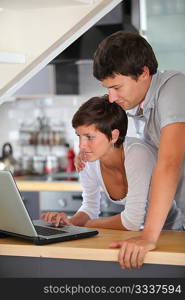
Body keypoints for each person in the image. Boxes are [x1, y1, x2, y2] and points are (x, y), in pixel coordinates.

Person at [75, 31, 185, 269]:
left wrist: (148, 237)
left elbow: (169, 163)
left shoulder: (174, 88)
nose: (112, 98)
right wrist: (88, 148)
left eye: (116, 87)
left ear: (144, 73)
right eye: (107, 89)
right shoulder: (141, 105)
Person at [42, 96, 184, 267]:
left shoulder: (137, 154)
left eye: (89, 137)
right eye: (79, 136)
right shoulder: (88, 161)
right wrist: (68, 223)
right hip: (138, 238)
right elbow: (89, 208)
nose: (82, 146)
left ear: (114, 135)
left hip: (171, 234)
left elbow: (131, 221)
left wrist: (86, 225)